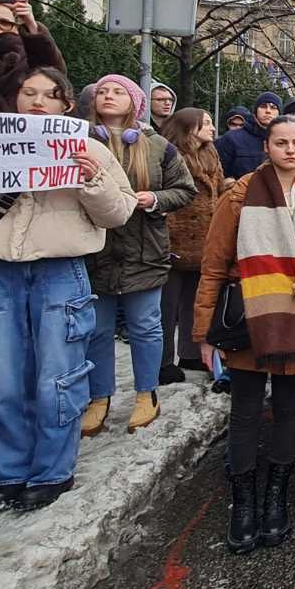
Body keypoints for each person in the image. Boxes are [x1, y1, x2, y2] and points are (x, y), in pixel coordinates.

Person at [0, 68, 135, 512]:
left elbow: (119, 214)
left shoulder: (89, 149)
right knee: (5, 379)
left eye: (49, 95)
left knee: (57, 375)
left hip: (59, 270)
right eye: (28, 93)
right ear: (14, 100)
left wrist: (92, 179)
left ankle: (52, 470)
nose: (37, 102)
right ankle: (10, 472)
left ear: (66, 105)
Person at [194, 115, 295, 554]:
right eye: (281, 142)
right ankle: (243, 502)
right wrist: (203, 332)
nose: (290, 150)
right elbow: (213, 266)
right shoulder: (238, 198)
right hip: (249, 319)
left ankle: (276, 497)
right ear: (267, 147)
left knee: (290, 412)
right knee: (246, 414)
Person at [81, 75, 197, 436]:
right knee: (97, 331)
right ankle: (99, 398)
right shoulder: (78, 142)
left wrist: (156, 200)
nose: (109, 96)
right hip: (95, 251)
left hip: (144, 250)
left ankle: (147, 393)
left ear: (134, 103)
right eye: (103, 91)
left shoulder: (157, 146)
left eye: (118, 92)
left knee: (146, 328)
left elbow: (184, 189)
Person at [158, 108, 223, 383]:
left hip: (204, 239)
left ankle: (190, 352)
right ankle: (162, 362)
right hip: (173, 241)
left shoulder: (211, 153)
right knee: (165, 306)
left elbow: (217, 188)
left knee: (192, 302)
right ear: (188, 127)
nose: (211, 127)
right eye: (205, 123)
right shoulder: (168, 154)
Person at [216, 92, 281, 180]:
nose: (268, 111)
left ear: (279, 113)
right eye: (263, 106)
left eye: (273, 107)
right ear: (255, 111)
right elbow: (217, 175)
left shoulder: (285, 140)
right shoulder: (232, 138)